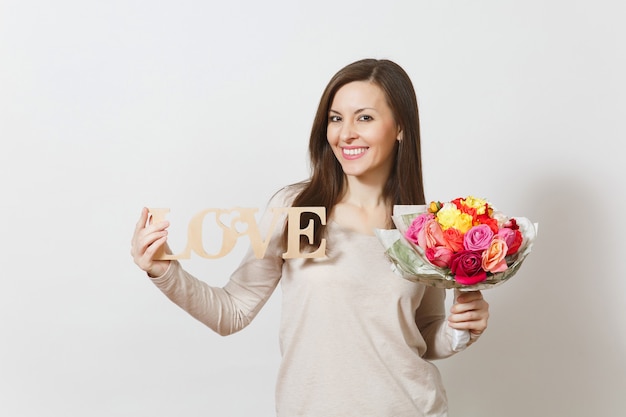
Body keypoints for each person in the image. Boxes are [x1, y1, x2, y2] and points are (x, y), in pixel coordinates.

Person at [131, 58, 489, 416]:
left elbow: (423, 336)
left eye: (364, 117)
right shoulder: (299, 211)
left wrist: (459, 329)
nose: (345, 133)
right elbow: (233, 312)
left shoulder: (422, 227)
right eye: (336, 118)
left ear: (400, 128)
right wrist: (164, 268)